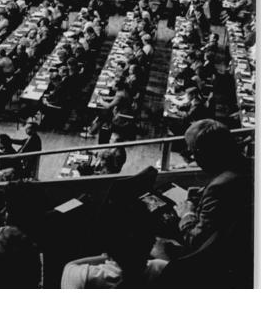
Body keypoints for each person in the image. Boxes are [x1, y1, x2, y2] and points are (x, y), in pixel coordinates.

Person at [175, 119, 252, 250]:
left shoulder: (219, 188)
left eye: (192, 153)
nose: (193, 158)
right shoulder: (249, 166)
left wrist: (187, 215)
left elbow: (196, 241)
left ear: (203, 154)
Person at [61, 200, 166, 288]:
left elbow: (70, 265)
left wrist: (107, 255)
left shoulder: (84, 277)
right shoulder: (161, 269)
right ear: (152, 241)